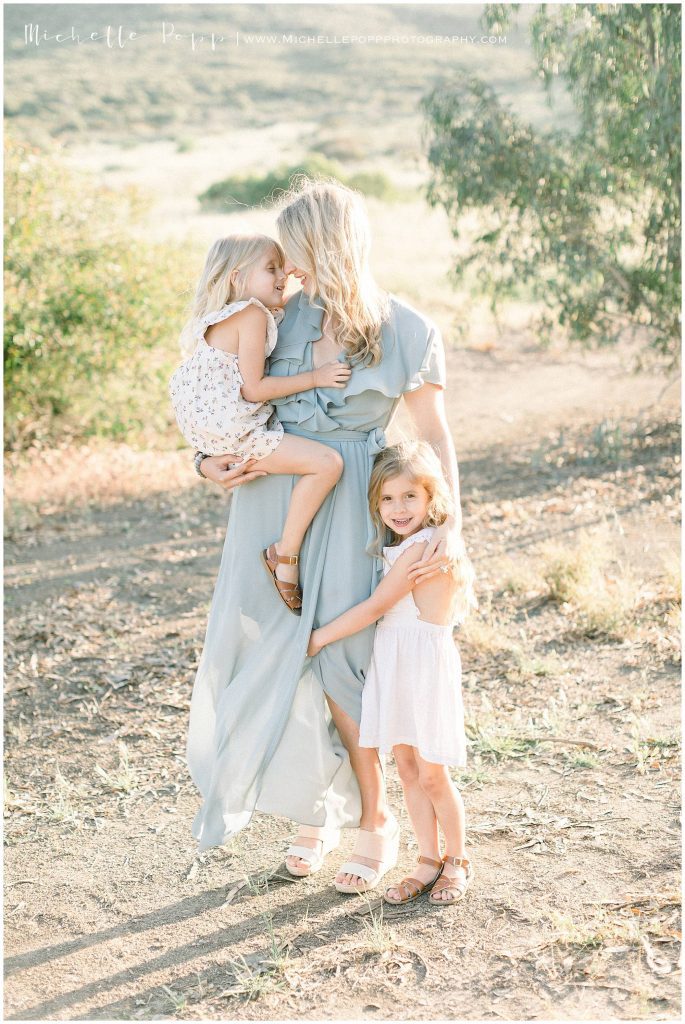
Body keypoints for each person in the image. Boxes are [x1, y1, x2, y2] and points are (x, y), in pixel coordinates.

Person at [189, 179, 464, 894]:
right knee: (276, 648)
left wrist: (449, 528)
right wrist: (202, 461)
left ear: (327, 243)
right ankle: (314, 812)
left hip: (349, 503)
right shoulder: (271, 315)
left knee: (344, 659)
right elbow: (215, 388)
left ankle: (376, 820)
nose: (289, 265)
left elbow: (433, 434)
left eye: (298, 249)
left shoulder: (406, 328)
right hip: (267, 496)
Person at [307, 441, 476, 902]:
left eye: (409, 497)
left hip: (422, 670)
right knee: (405, 768)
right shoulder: (402, 545)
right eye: (387, 498)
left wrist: (317, 639)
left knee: (433, 773)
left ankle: (457, 860)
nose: (397, 509)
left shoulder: (422, 548)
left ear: (430, 499)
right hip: (398, 666)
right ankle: (426, 859)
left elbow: (376, 607)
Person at [168, 233, 351, 613]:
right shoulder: (251, 315)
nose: (284, 274)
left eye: (282, 266)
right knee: (327, 464)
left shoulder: (218, 319)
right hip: (241, 433)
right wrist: (316, 377)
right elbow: (254, 389)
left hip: (215, 438)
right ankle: (285, 555)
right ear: (237, 277)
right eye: (271, 268)